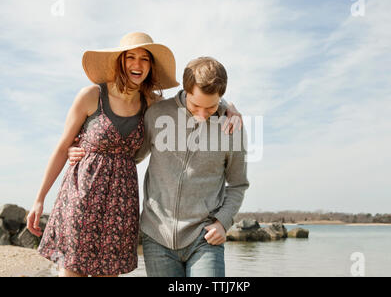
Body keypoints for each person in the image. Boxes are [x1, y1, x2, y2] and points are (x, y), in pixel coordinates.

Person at [27, 32, 242, 277]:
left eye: (145, 59)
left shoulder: (151, 104)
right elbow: (62, 147)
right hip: (82, 196)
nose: (137, 65)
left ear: (151, 66)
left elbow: (192, 99)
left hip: (121, 204)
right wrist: (39, 198)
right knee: (72, 271)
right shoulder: (91, 96)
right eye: (131, 57)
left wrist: (228, 107)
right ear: (120, 61)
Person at [70, 56, 249, 277]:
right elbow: (128, 156)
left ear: (221, 98)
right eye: (196, 106)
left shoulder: (232, 128)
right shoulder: (157, 114)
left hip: (204, 237)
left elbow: (238, 183)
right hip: (157, 236)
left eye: (211, 107)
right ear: (185, 91)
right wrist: (86, 149)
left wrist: (223, 222)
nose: (203, 115)